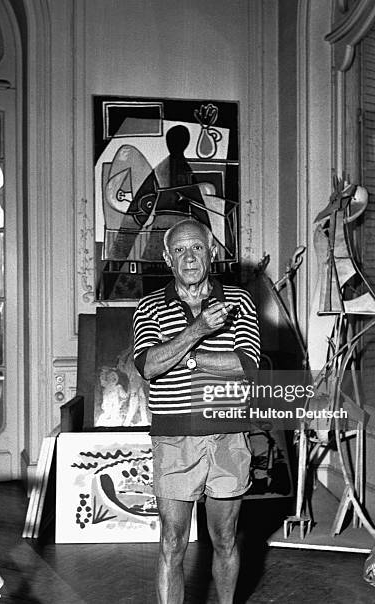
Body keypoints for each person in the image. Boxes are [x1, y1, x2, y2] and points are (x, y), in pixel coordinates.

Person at [133, 219, 260, 603]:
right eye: (181, 250)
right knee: (172, 542)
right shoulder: (149, 307)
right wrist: (199, 329)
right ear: (167, 258)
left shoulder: (239, 301)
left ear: (213, 253)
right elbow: (149, 366)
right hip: (173, 438)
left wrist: (186, 358)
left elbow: (247, 365)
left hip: (227, 436)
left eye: (198, 248)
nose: (190, 257)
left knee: (224, 537)